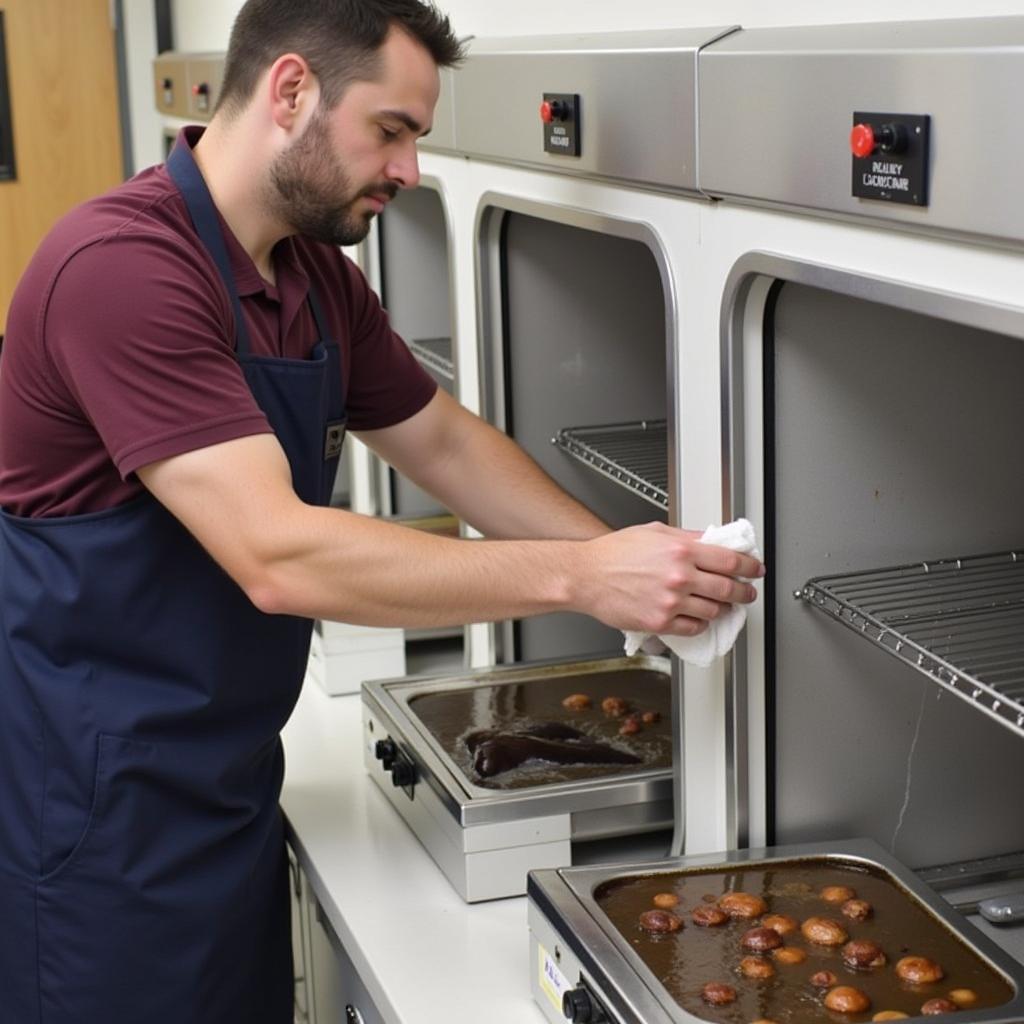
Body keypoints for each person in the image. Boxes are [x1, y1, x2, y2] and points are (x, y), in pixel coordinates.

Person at [0, 1, 764, 1020]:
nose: (407, 169)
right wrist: (583, 578)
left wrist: (635, 572)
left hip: (222, 784)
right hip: (96, 816)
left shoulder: (312, 275)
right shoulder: (122, 271)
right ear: (290, 91)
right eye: (393, 130)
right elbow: (278, 557)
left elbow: (443, 441)